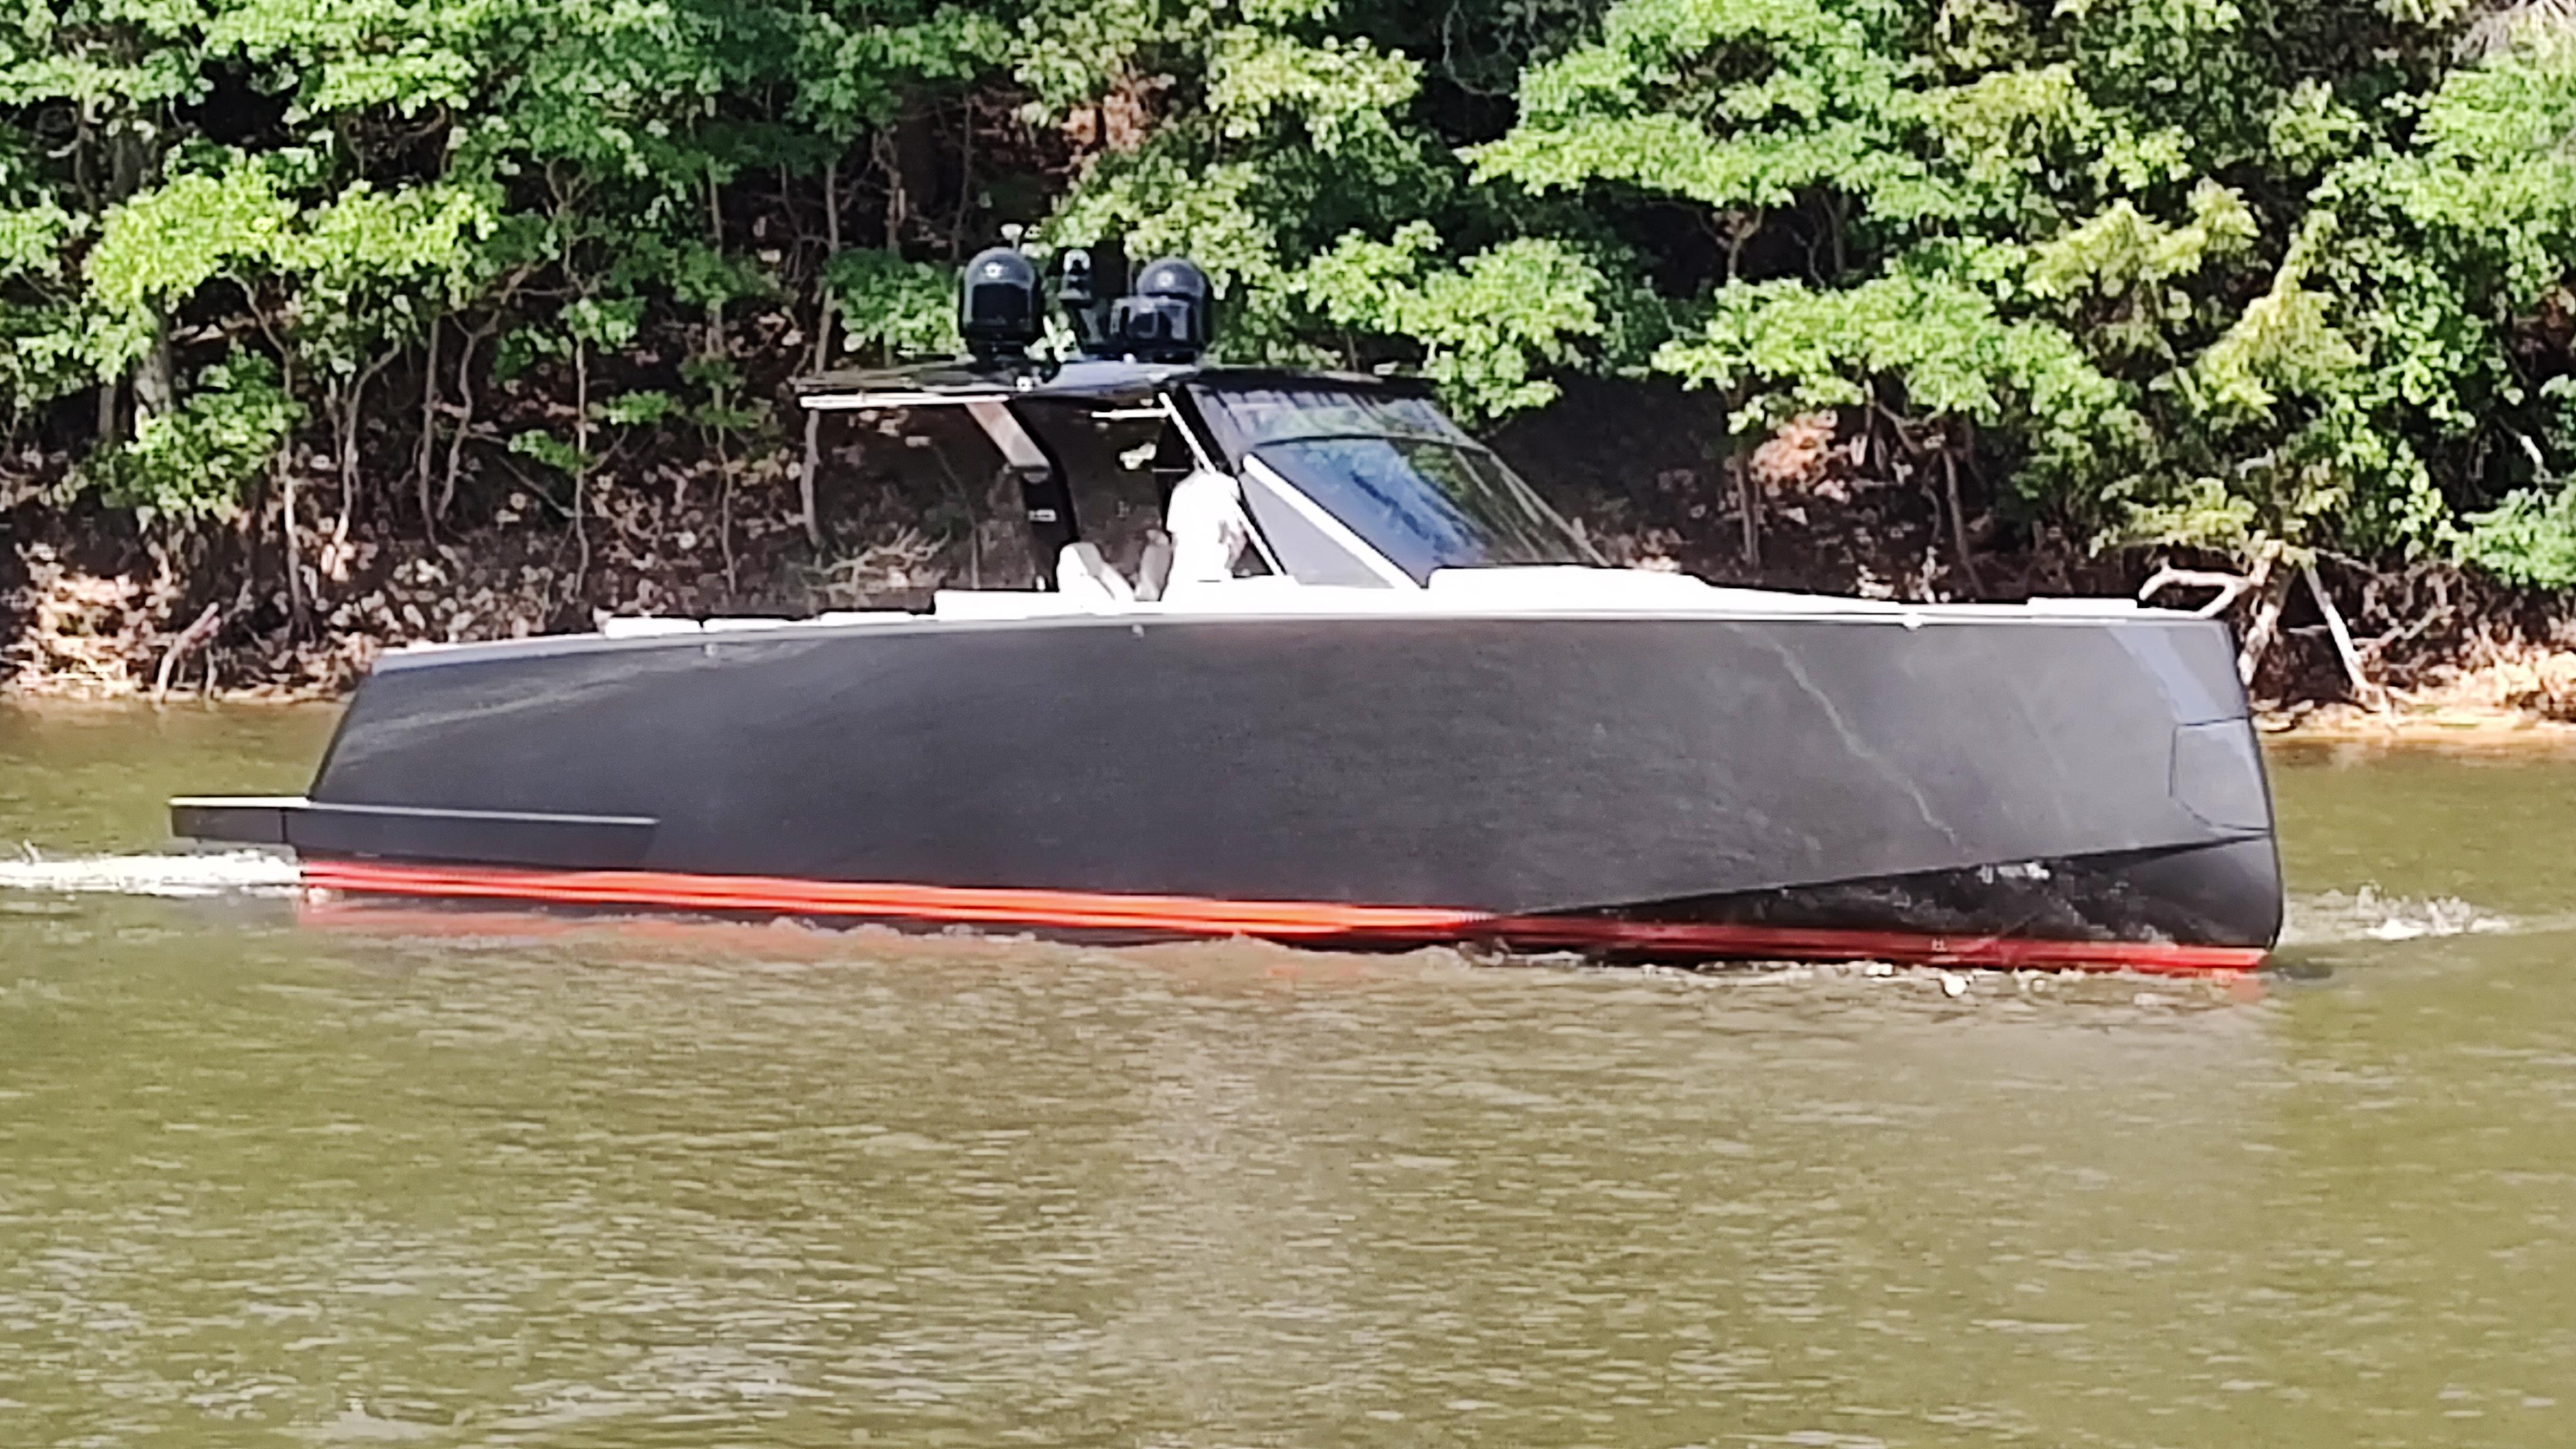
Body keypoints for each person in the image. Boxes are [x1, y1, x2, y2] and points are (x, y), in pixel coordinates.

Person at [1160, 465, 1251, 596]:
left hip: (1181, 586)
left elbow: (1174, 539)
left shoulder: (1181, 490)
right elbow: (1237, 539)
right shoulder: (1226, 486)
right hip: (1210, 584)